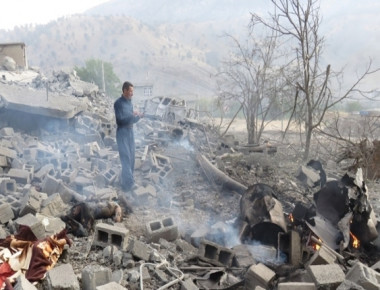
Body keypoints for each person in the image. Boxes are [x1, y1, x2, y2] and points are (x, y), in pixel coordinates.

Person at [114, 81, 143, 192]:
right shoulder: (118, 103)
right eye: (130, 91)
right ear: (124, 90)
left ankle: (126, 183)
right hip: (122, 133)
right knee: (125, 158)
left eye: (132, 91)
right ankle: (130, 184)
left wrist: (139, 116)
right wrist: (132, 115)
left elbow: (131, 120)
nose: (132, 93)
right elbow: (120, 120)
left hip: (130, 132)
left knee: (131, 159)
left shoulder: (130, 103)